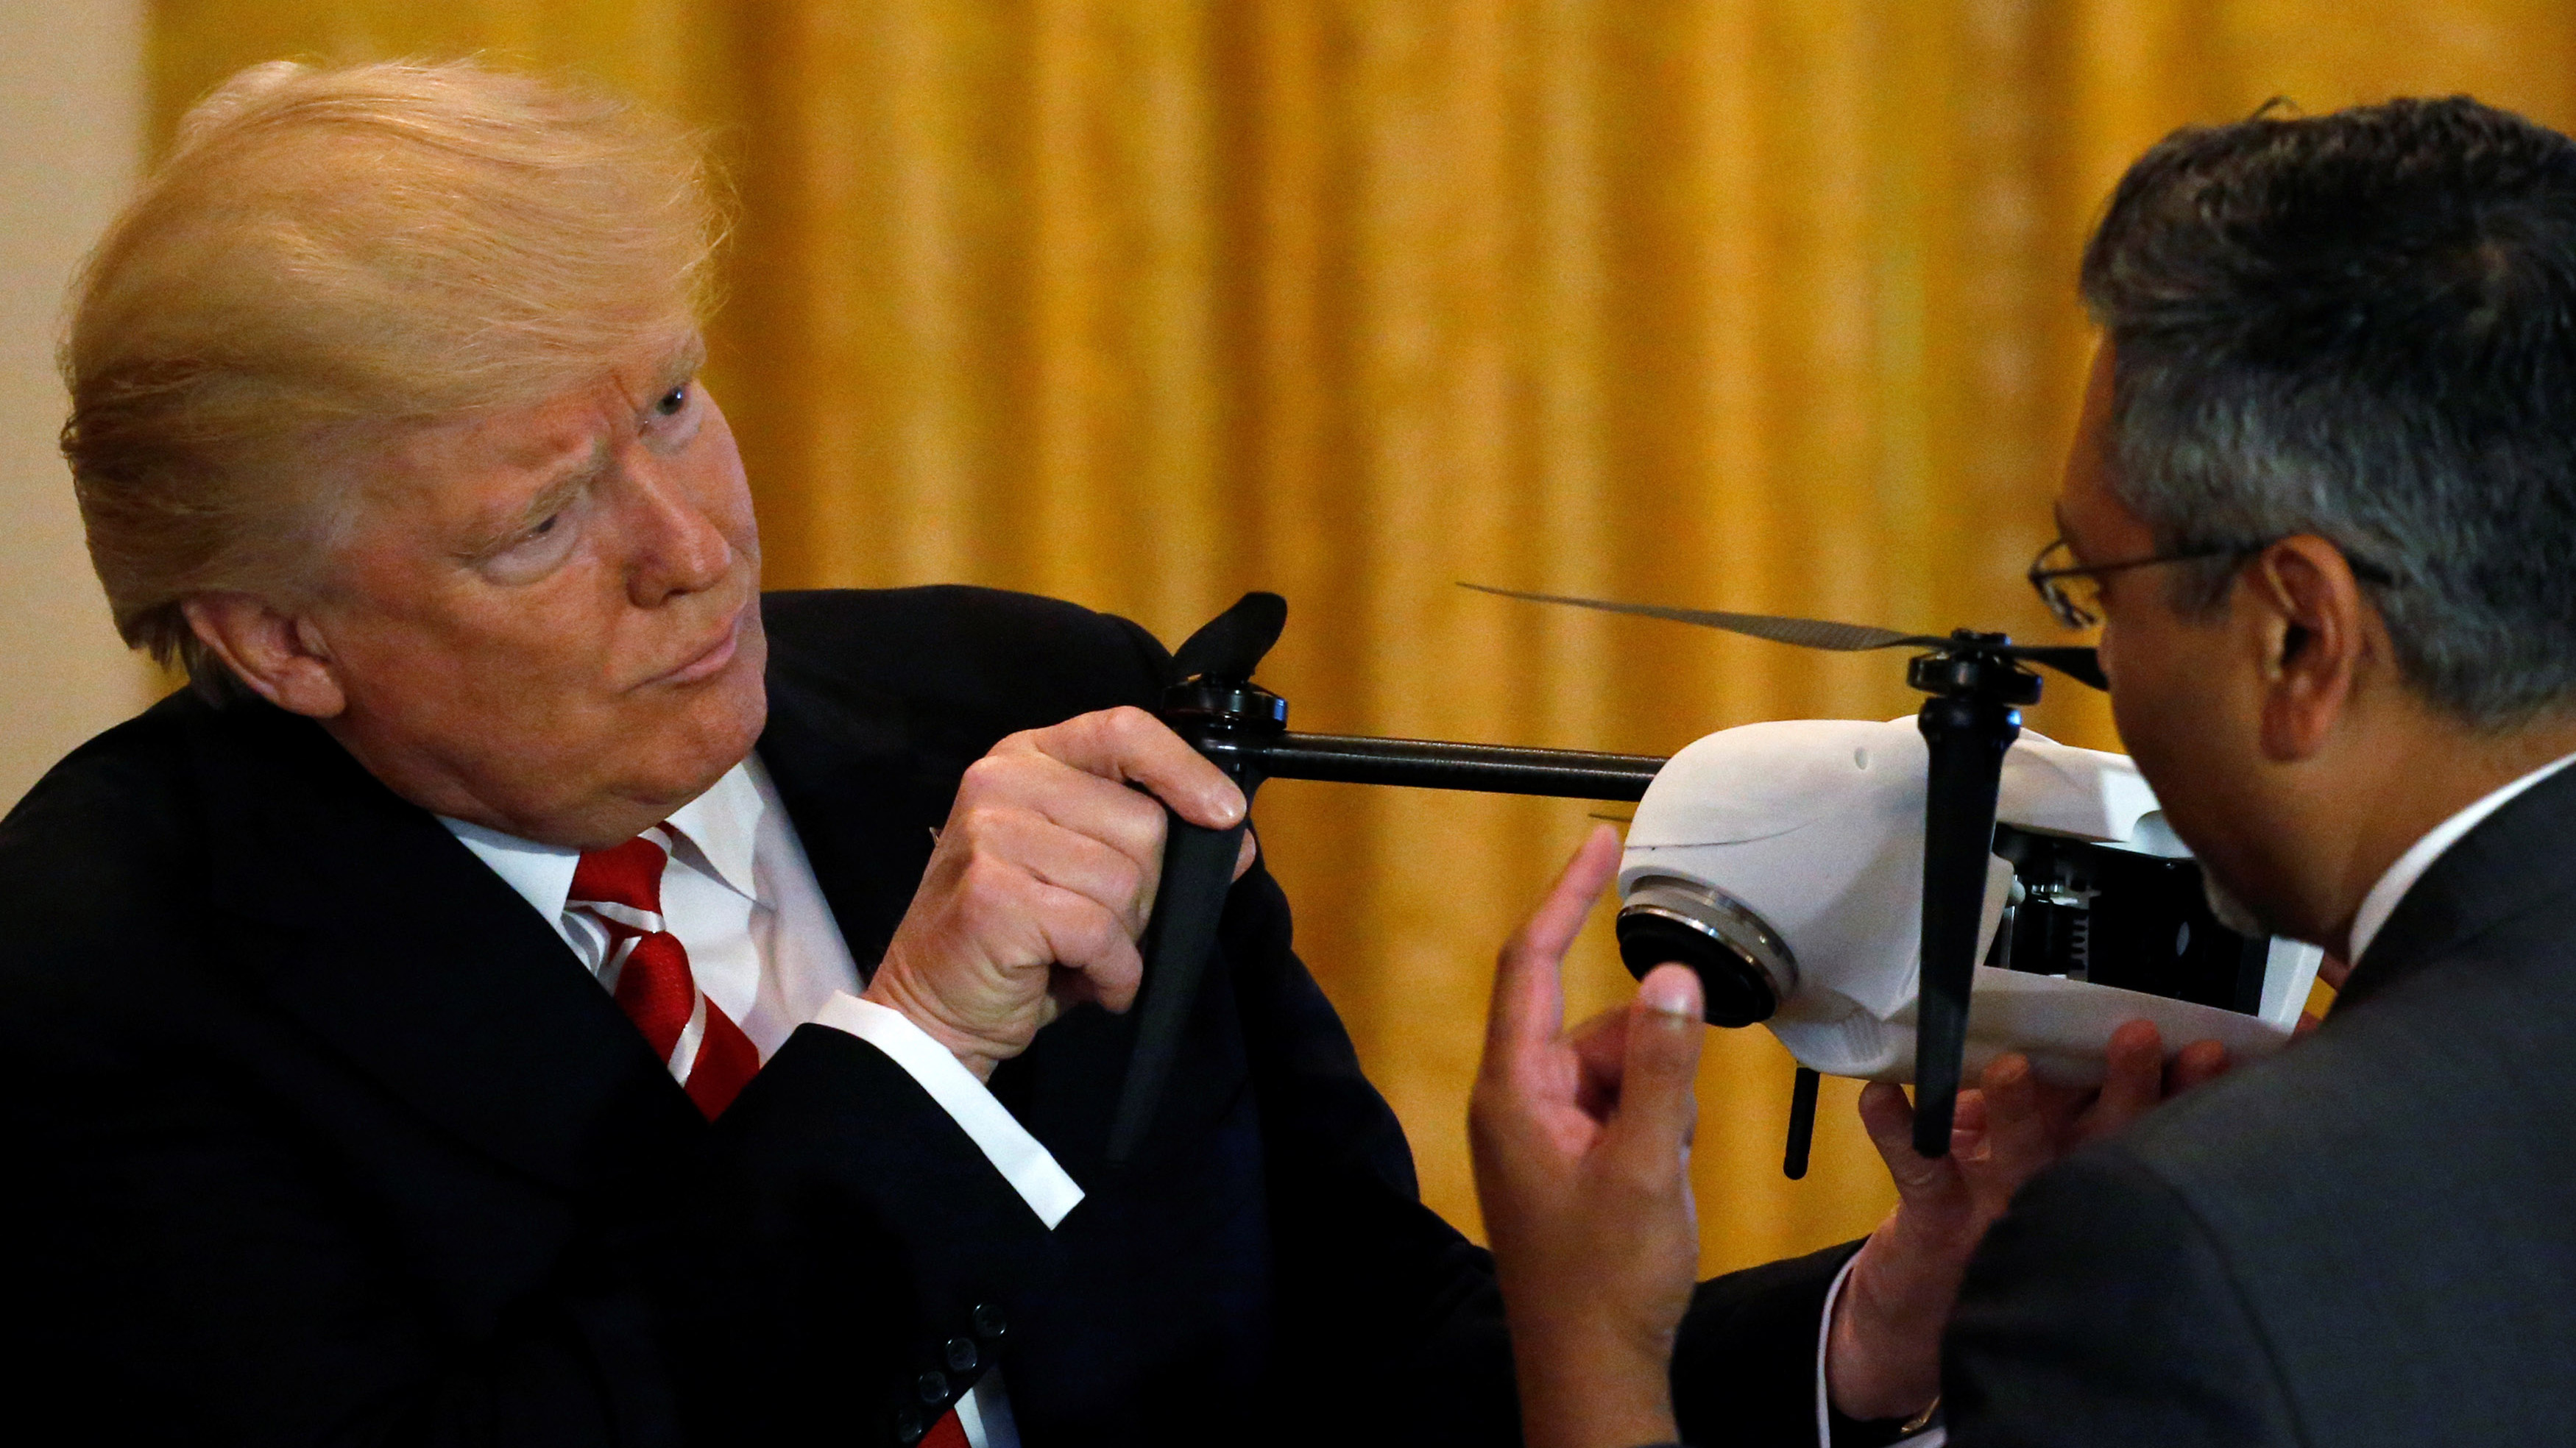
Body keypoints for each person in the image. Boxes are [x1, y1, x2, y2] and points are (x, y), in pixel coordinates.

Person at [0, 57, 2115, 1447]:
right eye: (542, 521)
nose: (692, 543)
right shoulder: (99, 970)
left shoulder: (1012, 704)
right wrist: (920, 1048)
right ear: (279, 639)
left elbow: (1364, 1374)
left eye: (672, 402)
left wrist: (1871, 1329)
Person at [1471, 93, 2576, 1447]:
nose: (2098, 659)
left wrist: (1589, 1342)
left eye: (2098, 588)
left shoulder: (2185, 1242)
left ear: (2299, 639)